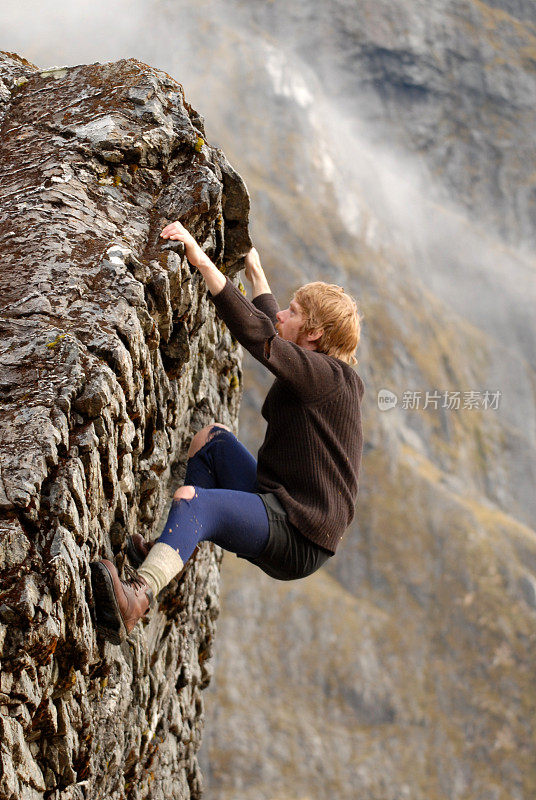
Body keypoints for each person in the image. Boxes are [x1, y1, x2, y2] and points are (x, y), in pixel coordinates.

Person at [90, 221, 364, 644]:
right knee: (212, 441)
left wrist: (199, 259)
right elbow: (270, 324)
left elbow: (260, 336)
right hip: (283, 505)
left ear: (313, 334)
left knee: (194, 501)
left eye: (293, 312)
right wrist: (254, 269)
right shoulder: (321, 371)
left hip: (300, 535)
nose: (281, 314)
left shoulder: (327, 378)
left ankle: (137, 598)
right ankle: (174, 547)